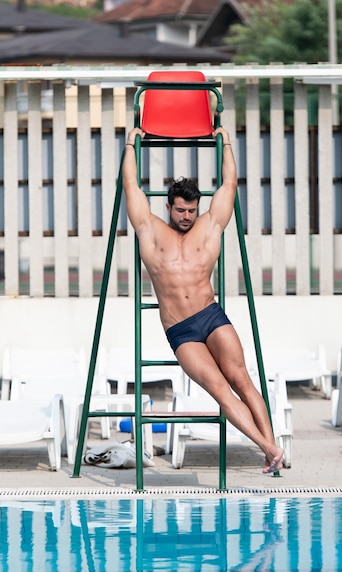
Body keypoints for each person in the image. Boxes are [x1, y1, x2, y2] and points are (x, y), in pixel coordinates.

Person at [123, 126, 283, 474]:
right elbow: (131, 187)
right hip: (181, 330)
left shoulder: (209, 226)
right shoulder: (149, 229)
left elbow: (229, 185)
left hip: (211, 316)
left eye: (192, 210)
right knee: (222, 392)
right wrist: (131, 143)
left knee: (243, 382)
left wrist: (224, 141)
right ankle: (270, 448)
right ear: (168, 206)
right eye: (181, 210)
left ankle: (274, 451)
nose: (186, 216)